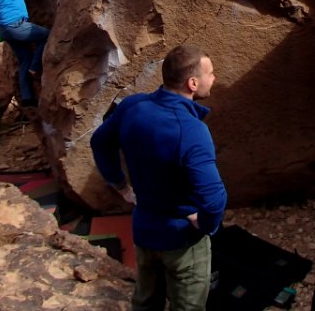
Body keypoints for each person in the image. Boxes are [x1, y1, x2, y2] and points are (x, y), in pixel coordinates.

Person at [90, 44, 228, 311]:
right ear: (192, 83)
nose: (214, 78)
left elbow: (99, 142)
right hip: (181, 240)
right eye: (210, 73)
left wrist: (121, 186)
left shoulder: (132, 106)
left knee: (145, 301)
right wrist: (205, 224)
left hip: (144, 229)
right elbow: (214, 198)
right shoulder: (191, 130)